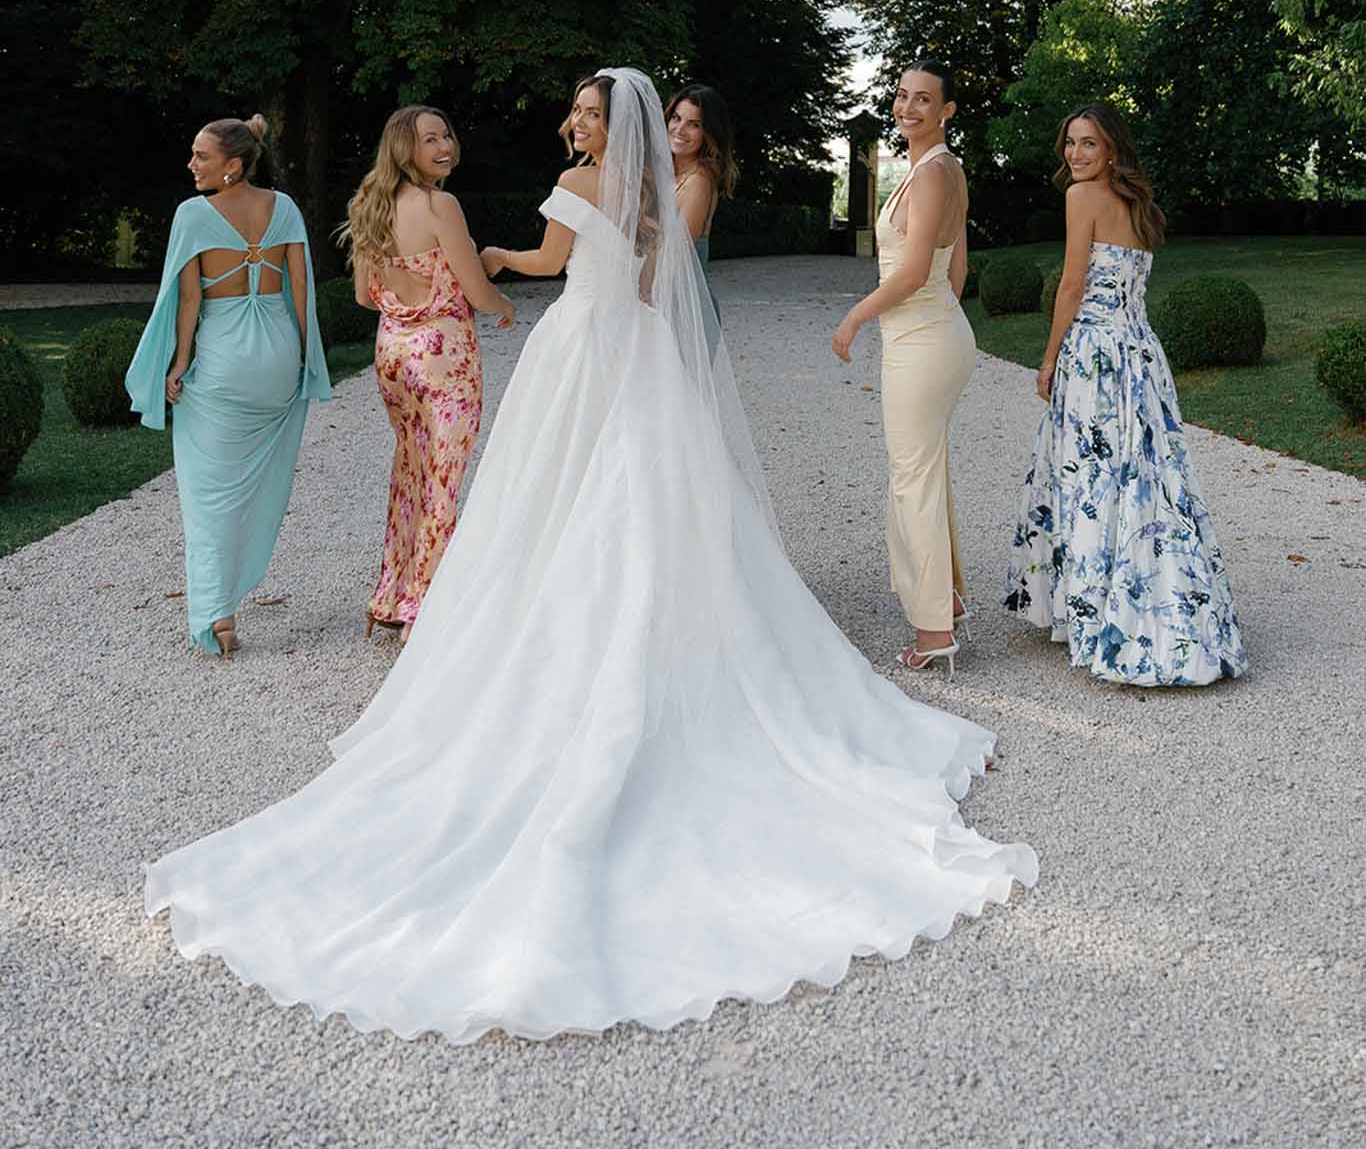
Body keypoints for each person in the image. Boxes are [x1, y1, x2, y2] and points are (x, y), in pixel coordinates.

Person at [145, 68, 1035, 1045]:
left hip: (580, 346)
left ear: (605, 125)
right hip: (640, 349)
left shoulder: (576, 186)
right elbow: (653, 273)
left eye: (582, 112)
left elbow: (546, 261)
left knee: (550, 499)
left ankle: (555, 638)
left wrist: (494, 251)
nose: (571, 121)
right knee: (651, 502)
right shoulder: (653, 189)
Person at [1004, 104, 1247, 686]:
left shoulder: (1080, 198)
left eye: (1089, 144)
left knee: (1093, 478)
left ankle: (1098, 621)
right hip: (1140, 354)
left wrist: (1048, 357)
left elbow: (1071, 284)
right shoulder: (1140, 206)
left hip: (1094, 356)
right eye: (1070, 144)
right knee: (1148, 482)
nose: (1076, 155)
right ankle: (1166, 614)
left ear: (1112, 149)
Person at [125, 115, 331, 656]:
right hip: (279, 359)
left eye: (201, 156)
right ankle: (231, 593)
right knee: (260, 483)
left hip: (222, 362)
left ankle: (219, 615)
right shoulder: (283, 208)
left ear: (233, 165)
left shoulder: (192, 215)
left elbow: (188, 301)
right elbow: (301, 291)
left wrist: (178, 365)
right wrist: (308, 364)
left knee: (209, 494)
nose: (191, 165)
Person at [343, 105, 515, 644]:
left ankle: (390, 596)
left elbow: (361, 297)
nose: (444, 146)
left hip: (392, 351)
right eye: (429, 139)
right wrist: (503, 304)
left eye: (447, 134)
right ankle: (424, 608)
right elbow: (475, 289)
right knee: (443, 479)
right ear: (404, 149)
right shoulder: (441, 205)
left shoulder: (370, 204)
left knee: (410, 471)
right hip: (444, 357)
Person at [832, 61, 975, 677]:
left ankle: (933, 630)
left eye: (924, 100)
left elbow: (915, 271)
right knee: (927, 471)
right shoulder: (933, 170)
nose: (908, 107)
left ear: (945, 111)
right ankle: (951, 598)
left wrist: (854, 319)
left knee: (911, 478)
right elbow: (957, 269)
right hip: (934, 332)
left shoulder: (934, 173)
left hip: (921, 340)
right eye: (902, 96)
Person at [664, 81, 737, 346]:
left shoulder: (699, 180)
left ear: (709, 133)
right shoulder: (666, 174)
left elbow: (675, 254)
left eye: (694, 124)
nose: (680, 130)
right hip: (661, 304)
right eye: (676, 118)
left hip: (685, 312)